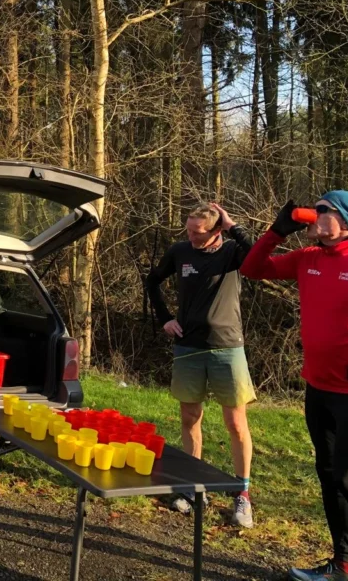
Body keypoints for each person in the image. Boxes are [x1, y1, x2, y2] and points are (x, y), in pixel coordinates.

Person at [242, 192, 348, 581]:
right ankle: (345, 565)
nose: (313, 215)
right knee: (329, 476)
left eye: (322, 210)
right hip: (317, 388)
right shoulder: (307, 259)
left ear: (344, 221)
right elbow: (252, 269)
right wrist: (276, 232)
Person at [145, 202, 256, 528]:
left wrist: (234, 226)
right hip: (188, 347)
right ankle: (194, 487)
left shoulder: (233, 252)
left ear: (217, 230)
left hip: (227, 347)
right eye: (189, 230)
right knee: (190, 417)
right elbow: (152, 282)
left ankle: (242, 494)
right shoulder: (180, 252)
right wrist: (165, 319)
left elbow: (259, 257)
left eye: (198, 232)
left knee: (236, 423)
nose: (191, 236)